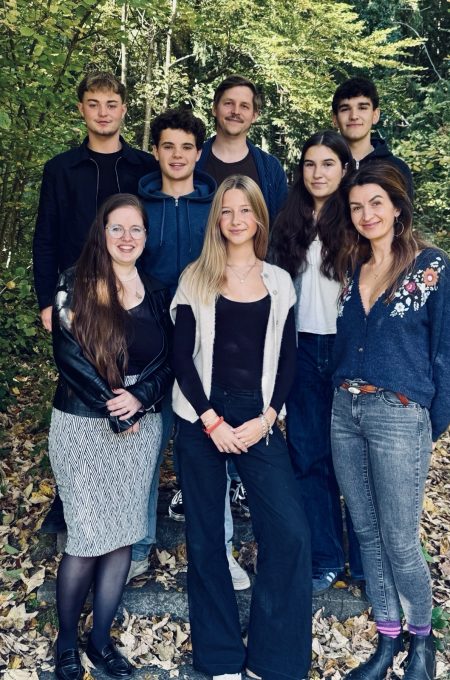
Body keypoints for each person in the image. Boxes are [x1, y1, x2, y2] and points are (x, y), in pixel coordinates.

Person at [171, 175, 312, 680]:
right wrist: (212, 422)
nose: (236, 220)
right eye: (226, 211)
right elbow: (181, 358)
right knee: (206, 537)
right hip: (201, 417)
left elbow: (289, 359)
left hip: (259, 417)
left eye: (244, 210)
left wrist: (268, 417)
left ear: (258, 217)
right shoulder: (195, 277)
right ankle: (221, 658)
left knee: (291, 534)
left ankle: (274, 660)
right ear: (217, 219)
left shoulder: (279, 281)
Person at [331, 162, 449, 679]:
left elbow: (445, 352)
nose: (367, 214)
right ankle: (386, 640)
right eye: (357, 206)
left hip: (399, 414)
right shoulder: (352, 266)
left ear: (398, 207)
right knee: (367, 533)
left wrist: (425, 421)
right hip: (345, 412)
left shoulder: (431, 267)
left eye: (376, 203)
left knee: (400, 537)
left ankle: (422, 641)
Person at [49, 194, 172, 680]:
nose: (126, 237)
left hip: (141, 426)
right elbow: (68, 355)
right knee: (85, 536)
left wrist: (139, 398)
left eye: (135, 229)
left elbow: (170, 360)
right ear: (101, 233)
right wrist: (113, 406)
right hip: (82, 423)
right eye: (116, 228)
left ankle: (100, 641)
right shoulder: (74, 283)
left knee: (121, 535)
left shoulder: (158, 291)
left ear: (146, 237)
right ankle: (65, 640)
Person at [33, 70, 158, 534]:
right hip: (78, 297)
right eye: (93, 103)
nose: (103, 113)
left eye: (111, 104)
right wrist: (47, 301)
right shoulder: (61, 169)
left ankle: (124, 494)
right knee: (78, 384)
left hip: (131, 292)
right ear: (81, 109)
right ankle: (70, 497)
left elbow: (149, 229)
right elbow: (45, 237)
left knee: (127, 378)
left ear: (124, 109)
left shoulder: (144, 166)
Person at [270, 131, 363, 593]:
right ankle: (326, 557)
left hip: (350, 350)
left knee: (356, 458)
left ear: (345, 169)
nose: (318, 173)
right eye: (310, 164)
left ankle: (365, 563)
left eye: (328, 164)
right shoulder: (288, 221)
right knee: (309, 455)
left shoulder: (358, 219)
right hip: (302, 348)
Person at [196, 74, 288, 225]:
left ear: (254, 115)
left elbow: (280, 228)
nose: (235, 111)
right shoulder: (192, 161)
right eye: (228, 103)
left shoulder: (271, 169)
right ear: (214, 108)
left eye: (244, 106)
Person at [332, 77, 413, 198]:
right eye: (345, 109)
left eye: (362, 108)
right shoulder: (322, 167)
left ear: (375, 115)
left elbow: (404, 210)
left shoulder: (397, 168)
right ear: (335, 119)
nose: (354, 116)